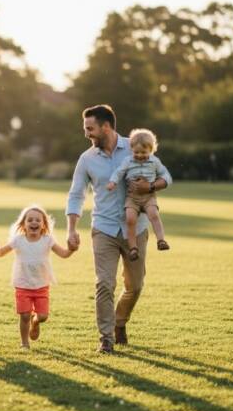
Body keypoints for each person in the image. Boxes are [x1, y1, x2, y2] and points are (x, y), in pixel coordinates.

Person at [65, 105, 172, 354]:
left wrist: (151, 187)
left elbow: (165, 176)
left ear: (106, 126)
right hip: (103, 228)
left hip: (137, 229)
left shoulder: (137, 145)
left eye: (90, 128)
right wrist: (71, 228)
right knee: (104, 283)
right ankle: (106, 339)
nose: (87, 134)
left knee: (135, 286)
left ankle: (120, 321)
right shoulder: (87, 159)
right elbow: (76, 195)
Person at [0, 205, 74, 350]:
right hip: (23, 284)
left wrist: (72, 249)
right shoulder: (18, 240)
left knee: (43, 316)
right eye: (30, 220)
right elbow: (0, 252)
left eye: (37, 220)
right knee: (24, 316)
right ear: (23, 224)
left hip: (41, 285)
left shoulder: (48, 240)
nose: (34, 222)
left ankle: (34, 322)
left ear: (43, 225)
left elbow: (64, 254)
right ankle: (24, 343)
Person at [106, 128, 171, 261]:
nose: (140, 155)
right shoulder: (128, 161)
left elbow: (165, 176)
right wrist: (113, 182)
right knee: (130, 219)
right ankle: (133, 248)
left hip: (149, 196)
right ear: (131, 149)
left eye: (144, 152)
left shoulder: (155, 162)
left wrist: (152, 185)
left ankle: (161, 240)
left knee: (154, 214)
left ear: (151, 150)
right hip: (132, 197)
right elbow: (119, 172)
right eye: (136, 152)